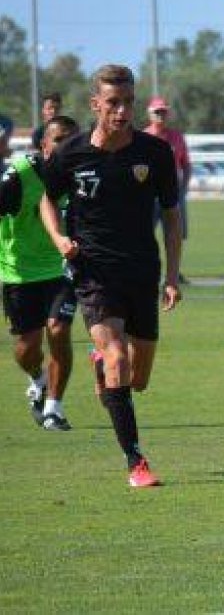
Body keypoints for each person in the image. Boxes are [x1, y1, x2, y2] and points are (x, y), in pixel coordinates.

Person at [39, 64, 182, 487]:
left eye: (128, 103)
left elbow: (172, 218)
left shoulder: (153, 154)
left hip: (143, 271)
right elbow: (47, 200)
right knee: (119, 359)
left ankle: (102, 366)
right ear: (95, 104)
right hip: (95, 272)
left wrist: (172, 276)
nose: (122, 112)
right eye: (113, 103)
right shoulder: (73, 153)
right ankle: (135, 462)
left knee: (138, 379)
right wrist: (59, 238)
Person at [0, 114, 79, 431]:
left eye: (72, 140)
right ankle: (38, 379)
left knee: (59, 332)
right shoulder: (19, 175)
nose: (66, 146)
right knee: (26, 348)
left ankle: (54, 408)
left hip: (61, 270)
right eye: (59, 139)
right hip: (18, 273)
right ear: (43, 144)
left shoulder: (81, 175)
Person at [143, 96, 192, 281]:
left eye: (163, 111)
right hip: (149, 193)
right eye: (157, 112)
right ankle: (147, 270)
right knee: (145, 233)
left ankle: (174, 273)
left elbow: (185, 164)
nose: (160, 115)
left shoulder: (177, 137)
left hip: (173, 191)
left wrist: (184, 188)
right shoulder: (143, 137)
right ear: (150, 114)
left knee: (175, 233)